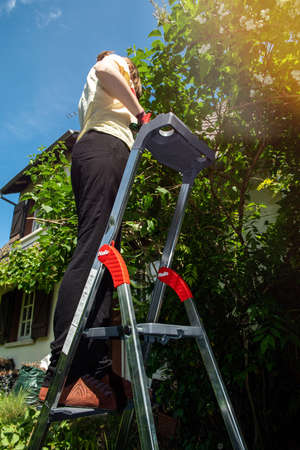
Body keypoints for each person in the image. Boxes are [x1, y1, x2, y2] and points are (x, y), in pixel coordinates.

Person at [39, 51, 149, 411]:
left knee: (103, 261)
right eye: (133, 74)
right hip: (101, 147)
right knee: (92, 253)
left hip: (111, 151)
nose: (134, 79)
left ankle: (97, 370)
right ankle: (62, 376)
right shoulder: (111, 62)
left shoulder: (113, 96)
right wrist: (141, 115)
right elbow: (104, 69)